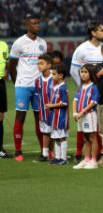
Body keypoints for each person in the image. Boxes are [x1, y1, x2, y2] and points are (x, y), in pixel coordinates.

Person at [8, 15, 47, 161]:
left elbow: (44, 65)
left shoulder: (43, 43)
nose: (37, 25)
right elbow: (11, 65)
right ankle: (18, 151)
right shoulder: (19, 43)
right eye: (34, 23)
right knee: (20, 116)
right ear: (28, 26)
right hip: (23, 85)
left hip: (38, 86)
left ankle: (44, 150)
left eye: (38, 23)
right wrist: (18, 82)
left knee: (40, 117)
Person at [70, 22, 103, 161]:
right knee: (83, 120)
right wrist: (84, 86)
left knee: (98, 121)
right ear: (93, 33)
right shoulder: (82, 49)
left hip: (101, 90)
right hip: (87, 91)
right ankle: (79, 152)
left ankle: (99, 152)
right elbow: (74, 70)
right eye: (101, 30)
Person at [72, 64, 100, 170]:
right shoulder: (80, 87)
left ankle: (93, 160)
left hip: (89, 115)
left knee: (92, 137)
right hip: (80, 116)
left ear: (91, 74)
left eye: (85, 72)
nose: (83, 74)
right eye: (82, 72)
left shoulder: (94, 87)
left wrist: (82, 112)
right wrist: (75, 113)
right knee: (85, 138)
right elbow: (75, 101)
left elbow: (93, 103)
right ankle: (86, 159)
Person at [46, 64, 69, 165]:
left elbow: (64, 103)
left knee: (61, 137)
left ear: (60, 75)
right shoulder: (56, 87)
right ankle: (57, 157)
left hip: (61, 117)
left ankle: (63, 158)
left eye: (54, 74)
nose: (52, 76)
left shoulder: (62, 88)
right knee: (55, 137)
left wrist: (51, 105)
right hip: (54, 116)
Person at [34, 53, 54, 162]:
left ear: (49, 65)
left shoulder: (55, 78)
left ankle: (54, 153)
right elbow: (38, 96)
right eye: (38, 64)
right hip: (43, 111)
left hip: (55, 112)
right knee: (46, 132)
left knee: (55, 133)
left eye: (41, 63)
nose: (39, 66)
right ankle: (45, 154)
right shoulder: (38, 81)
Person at [0, 39, 9, 158]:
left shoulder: (3, 45)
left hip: (0, 82)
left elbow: (6, 63)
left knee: (0, 116)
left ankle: (0, 148)